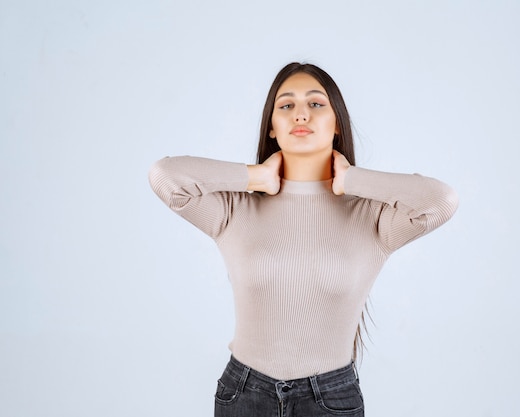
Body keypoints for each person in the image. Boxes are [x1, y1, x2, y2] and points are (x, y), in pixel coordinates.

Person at [149, 62, 458, 417]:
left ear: (337, 124)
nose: (300, 115)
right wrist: (256, 177)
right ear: (272, 127)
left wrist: (351, 180)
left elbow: (441, 200)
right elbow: (165, 176)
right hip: (244, 395)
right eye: (286, 106)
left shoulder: (373, 217)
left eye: (315, 104)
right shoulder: (234, 208)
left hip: (330, 399)